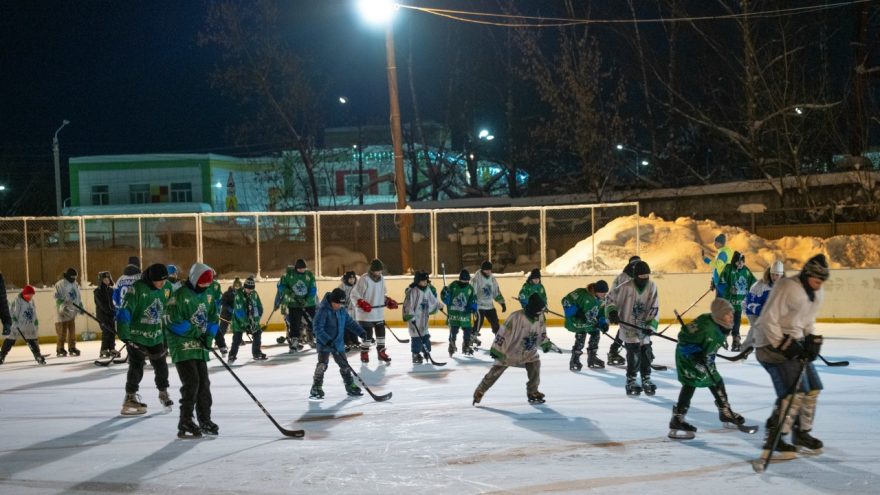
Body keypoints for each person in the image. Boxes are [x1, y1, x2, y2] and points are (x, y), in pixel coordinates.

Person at [752, 254, 829, 461]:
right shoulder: (787, 287)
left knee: (812, 389)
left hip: (794, 342)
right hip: (769, 344)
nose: (819, 284)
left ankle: (802, 434)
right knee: (793, 393)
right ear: (806, 274)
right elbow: (768, 320)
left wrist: (811, 338)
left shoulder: (817, 292)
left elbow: (807, 319)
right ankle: (776, 439)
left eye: (822, 281)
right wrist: (783, 344)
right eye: (816, 279)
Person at [668, 298, 748, 439]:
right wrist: (695, 351)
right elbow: (683, 336)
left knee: (716, 380)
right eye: (728, 314)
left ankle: (724, 412)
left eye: (731, 313)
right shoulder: (704, 325)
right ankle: (678, 419)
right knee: (691, 383)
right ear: (719, 315)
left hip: (705, 356)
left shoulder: (721, 324)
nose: (731, 317)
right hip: (689, 358)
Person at [166, 263, 220, 438]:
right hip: (182, 346)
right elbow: (173, 322)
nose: (205, 287)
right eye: (202, 284)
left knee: (204, 384)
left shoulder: (208, 294)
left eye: (207, 285)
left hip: (199, 345)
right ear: (194, 279)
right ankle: (186, 420)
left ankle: (205, 419)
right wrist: (196, 333)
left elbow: (212, 317)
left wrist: (210, 334)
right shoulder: (179, 296)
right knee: (192, 383)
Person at [473, 293, 556, 405]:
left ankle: (533, 391)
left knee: (535, 365)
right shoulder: (516, 317)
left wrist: (545, 343)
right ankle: (480, 391)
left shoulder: (540, 316)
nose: (541, 313)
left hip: (528, 351)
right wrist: (497, 350)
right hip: (510, 351)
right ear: (532, 309)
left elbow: (542, 333)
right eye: (539, 311)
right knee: (495, 372)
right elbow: (503, 334)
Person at [116, 263, 173, 416]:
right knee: (136, 366)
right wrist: (124, 333)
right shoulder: (137, 289)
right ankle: (130, 396)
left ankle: (163, 392)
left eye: (165, 280)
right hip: (137, 336)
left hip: (156, 336)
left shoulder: (166, 288)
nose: (162, 284)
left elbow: (169, 310)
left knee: (161, 365)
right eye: (159, 281)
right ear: (150, 279)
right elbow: (125, 311)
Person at [606, 260, 659, 396]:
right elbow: (610, 299)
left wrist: (651, 325)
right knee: (633, 351)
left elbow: (654, 307)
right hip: (628, 323)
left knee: (645, 350)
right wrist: (612, 312)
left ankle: (646, 378)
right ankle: (631, 380)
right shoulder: (625, 287)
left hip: (643, 326)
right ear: (635, 276)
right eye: (641, 277)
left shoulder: (652, 286)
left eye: (647, 276)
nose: (645, 280)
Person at [309, 288, 368, 400]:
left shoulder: (341, 310)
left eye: (341, 304)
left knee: (344, 365)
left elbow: (350, 323)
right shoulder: (323, 311)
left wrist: (361, 332)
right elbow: (317, 328)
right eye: (336, 303)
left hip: (338, 343)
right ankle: (316, 387)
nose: (338, 306)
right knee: (322, 365)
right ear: (331, 301)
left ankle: (350, 385)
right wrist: (327, 340)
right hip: (325, 344)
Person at [350, 258, 397, 363]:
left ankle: (381, 353)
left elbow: (382, 294)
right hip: (365, 315)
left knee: (381, 335)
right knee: (368, 336)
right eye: (377, 270)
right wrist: (361, 302)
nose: (379, 272)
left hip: (378, 314)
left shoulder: (382, 279)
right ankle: (364, 353)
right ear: (372, 270)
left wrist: (387, 301)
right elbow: (354, 294)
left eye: (380, 270)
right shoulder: (364, 279)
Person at [562, 280, 609, 371]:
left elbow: (601, 313)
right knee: (581, 335)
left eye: (605, 292)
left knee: (596, 332)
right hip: (576, 321)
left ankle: (592, 357)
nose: (604, 295)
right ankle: (575, 359)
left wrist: (603, 323)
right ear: (596, 290)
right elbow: (565, 301)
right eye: (602, 292)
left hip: (589, 321)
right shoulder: (581, 293)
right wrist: (575, 311)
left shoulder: (602, 300)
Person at [275, 259, 317, 352]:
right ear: (296, 268)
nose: (302, 270)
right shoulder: (288, 275)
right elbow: (280, 286)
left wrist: (307, 300)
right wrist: (290, 293)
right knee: (295, 323)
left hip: (309, 304)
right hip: (294, 304)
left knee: (313, 321)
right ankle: (294, 341)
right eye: (300, 269)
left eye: (304, 268)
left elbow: (313, 289)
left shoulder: (309, 275)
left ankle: (315, 338)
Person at [605, 256, 640, 366]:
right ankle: (615, 351)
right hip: (625, 310)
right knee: (627, 330)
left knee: (633, 330)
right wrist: (612, 311)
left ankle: (614, 351)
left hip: (634, 310)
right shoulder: (623, 278)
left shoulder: (638, 276)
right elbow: (612, 295)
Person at [718, 251, 757, 351]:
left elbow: (754, 283)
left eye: (742, 262)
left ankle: (736, 340)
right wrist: (728, 289)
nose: (740, 264)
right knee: (726, 322)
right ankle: (722, 338)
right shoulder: (728, 269)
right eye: (738, 262)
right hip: (728, 303)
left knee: (736, 323)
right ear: (733, 262)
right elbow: (721, 283)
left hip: (739, 304)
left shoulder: (746, 271)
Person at [743, 261, 785, 349]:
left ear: (781, 275)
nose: (774, 277)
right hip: (752, 309)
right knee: (757, 326)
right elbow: (751, 304)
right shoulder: (759, 285)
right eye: (773, 274)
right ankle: (745, 348)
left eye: (777, 275)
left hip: (769, 312)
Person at [1, 285, 45, 365]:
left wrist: (35, 320)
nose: (31, 296)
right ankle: (2, 355)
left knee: (32, 341)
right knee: (10, 341)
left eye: (32, 295)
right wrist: (14, 321)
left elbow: (34, 312)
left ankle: (37, 355)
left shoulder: (32, 301)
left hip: (28, 326)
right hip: (17, 325)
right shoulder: (18, 301)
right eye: (29, 295)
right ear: (24, 294)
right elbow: (12, 313)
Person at [404, 271, 440, 363]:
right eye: (423, 281)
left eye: (426, 280)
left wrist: (438, 305)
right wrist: (411, 316)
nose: (425, 282)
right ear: (417, 281)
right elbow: (409, 305)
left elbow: (433, 300)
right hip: (415, 319)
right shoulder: (413, 291)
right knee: (416, 337)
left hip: (424, 318)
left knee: (425, 336)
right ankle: (415, 354)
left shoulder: (427, 289)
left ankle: (426, 351)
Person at [441, 269, 478, 356]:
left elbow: (473, 299)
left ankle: (466, 345)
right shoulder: (453, 286)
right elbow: (446, 299)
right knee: (453, 330)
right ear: (460, 279)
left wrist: (473, 308)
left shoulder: (470, 289)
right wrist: (444, 293)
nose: (465, 282)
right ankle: (452, 343)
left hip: (465, 314)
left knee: (468, 330)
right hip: (454, 314)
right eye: (463, 280)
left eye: (467, 280)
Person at [228, 276, 265, 363]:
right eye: (248, 289)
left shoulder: (254, 294)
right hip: (239, 322)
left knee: (257, 334)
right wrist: (246, 324)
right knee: (237, 339)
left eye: (251, 289)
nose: (249, 290)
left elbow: (259, 307)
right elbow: (239, 311)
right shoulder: (238, 295)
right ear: (244, 287)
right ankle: (232, 355)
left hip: (252, 321)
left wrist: (256, 319)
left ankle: (257, 353)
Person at [470, 260, 506, 344]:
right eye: (487, 270)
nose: (489, 271)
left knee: (495, 321)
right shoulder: (476, 278)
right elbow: (472, 291)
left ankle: (498, 336)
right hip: (479, 305)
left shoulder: (492, 278)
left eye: (490, 270)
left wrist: (502, 303)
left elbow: (496, 291)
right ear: (482, 270)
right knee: (479, 320)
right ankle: (473, 335)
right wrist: (473, 304)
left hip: (489, 305)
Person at [53, 267, 83, 357]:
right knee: (62, 331)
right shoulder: (60, 284)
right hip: (61, 312)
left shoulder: (75, 284)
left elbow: (77, 296)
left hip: (71, 311)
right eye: (72, 277)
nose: (74, 278)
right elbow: (56, 297)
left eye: (75, 277)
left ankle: (72, 347)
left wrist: (80, 305)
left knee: (72, 331)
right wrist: (61, 305)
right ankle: (60, 348)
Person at [94, 271, 118, 358]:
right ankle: (103, 349)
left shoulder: (111, 290)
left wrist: (115, 311)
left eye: (108, 279)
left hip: (111, 315)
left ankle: (111, 348)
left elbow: (114, 303)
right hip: (102, 316)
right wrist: (110, 311)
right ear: (101, 280)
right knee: (106, 331)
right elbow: (102, 305)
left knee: (112, 332)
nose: (107, 280)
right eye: (105, 279)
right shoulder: (98, 291)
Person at [216, 278, 241, 356]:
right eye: (236, 286)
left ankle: (239, 340)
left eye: (239, 286)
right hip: (226, 314)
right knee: (223, 328)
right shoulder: (227, 293)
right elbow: (224, 303)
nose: (237, 287)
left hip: (236, 314)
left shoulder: (240, 294)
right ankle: (219, 341)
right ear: (233, 286)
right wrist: (230, 309)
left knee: (237, 328)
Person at [338, 271, 361, 351]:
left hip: (354, 310)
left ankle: (355, 340)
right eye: (350, 278)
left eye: (353, 278)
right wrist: (343, 304)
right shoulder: (342, 287)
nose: (352, 280)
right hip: (345, 310)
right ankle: (347, 340)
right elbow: (338, 298)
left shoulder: (357, 287)